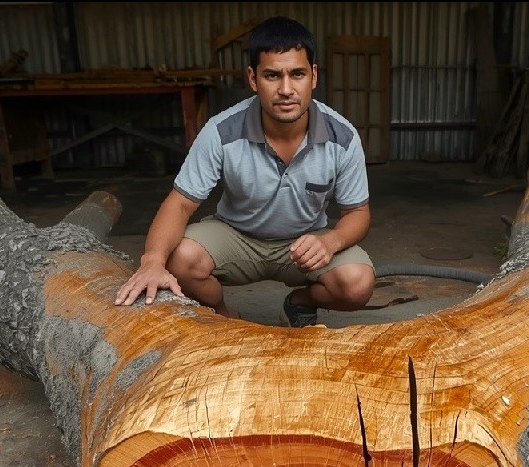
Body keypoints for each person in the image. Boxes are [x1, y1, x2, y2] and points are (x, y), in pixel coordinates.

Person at [112, 15, 375, 327]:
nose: (286, 89)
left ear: (314, 76)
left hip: (306, 242)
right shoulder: (221, 131)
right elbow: (180, 203)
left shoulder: (342, 137)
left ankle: (299, 302)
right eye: (272, 75)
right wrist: (152, 262)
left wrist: (331, 241)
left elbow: (357, 212)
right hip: (237, 236)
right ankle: (224, 314)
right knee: (179, 260)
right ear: (253, 79)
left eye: (297, 74)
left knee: (357, 283)